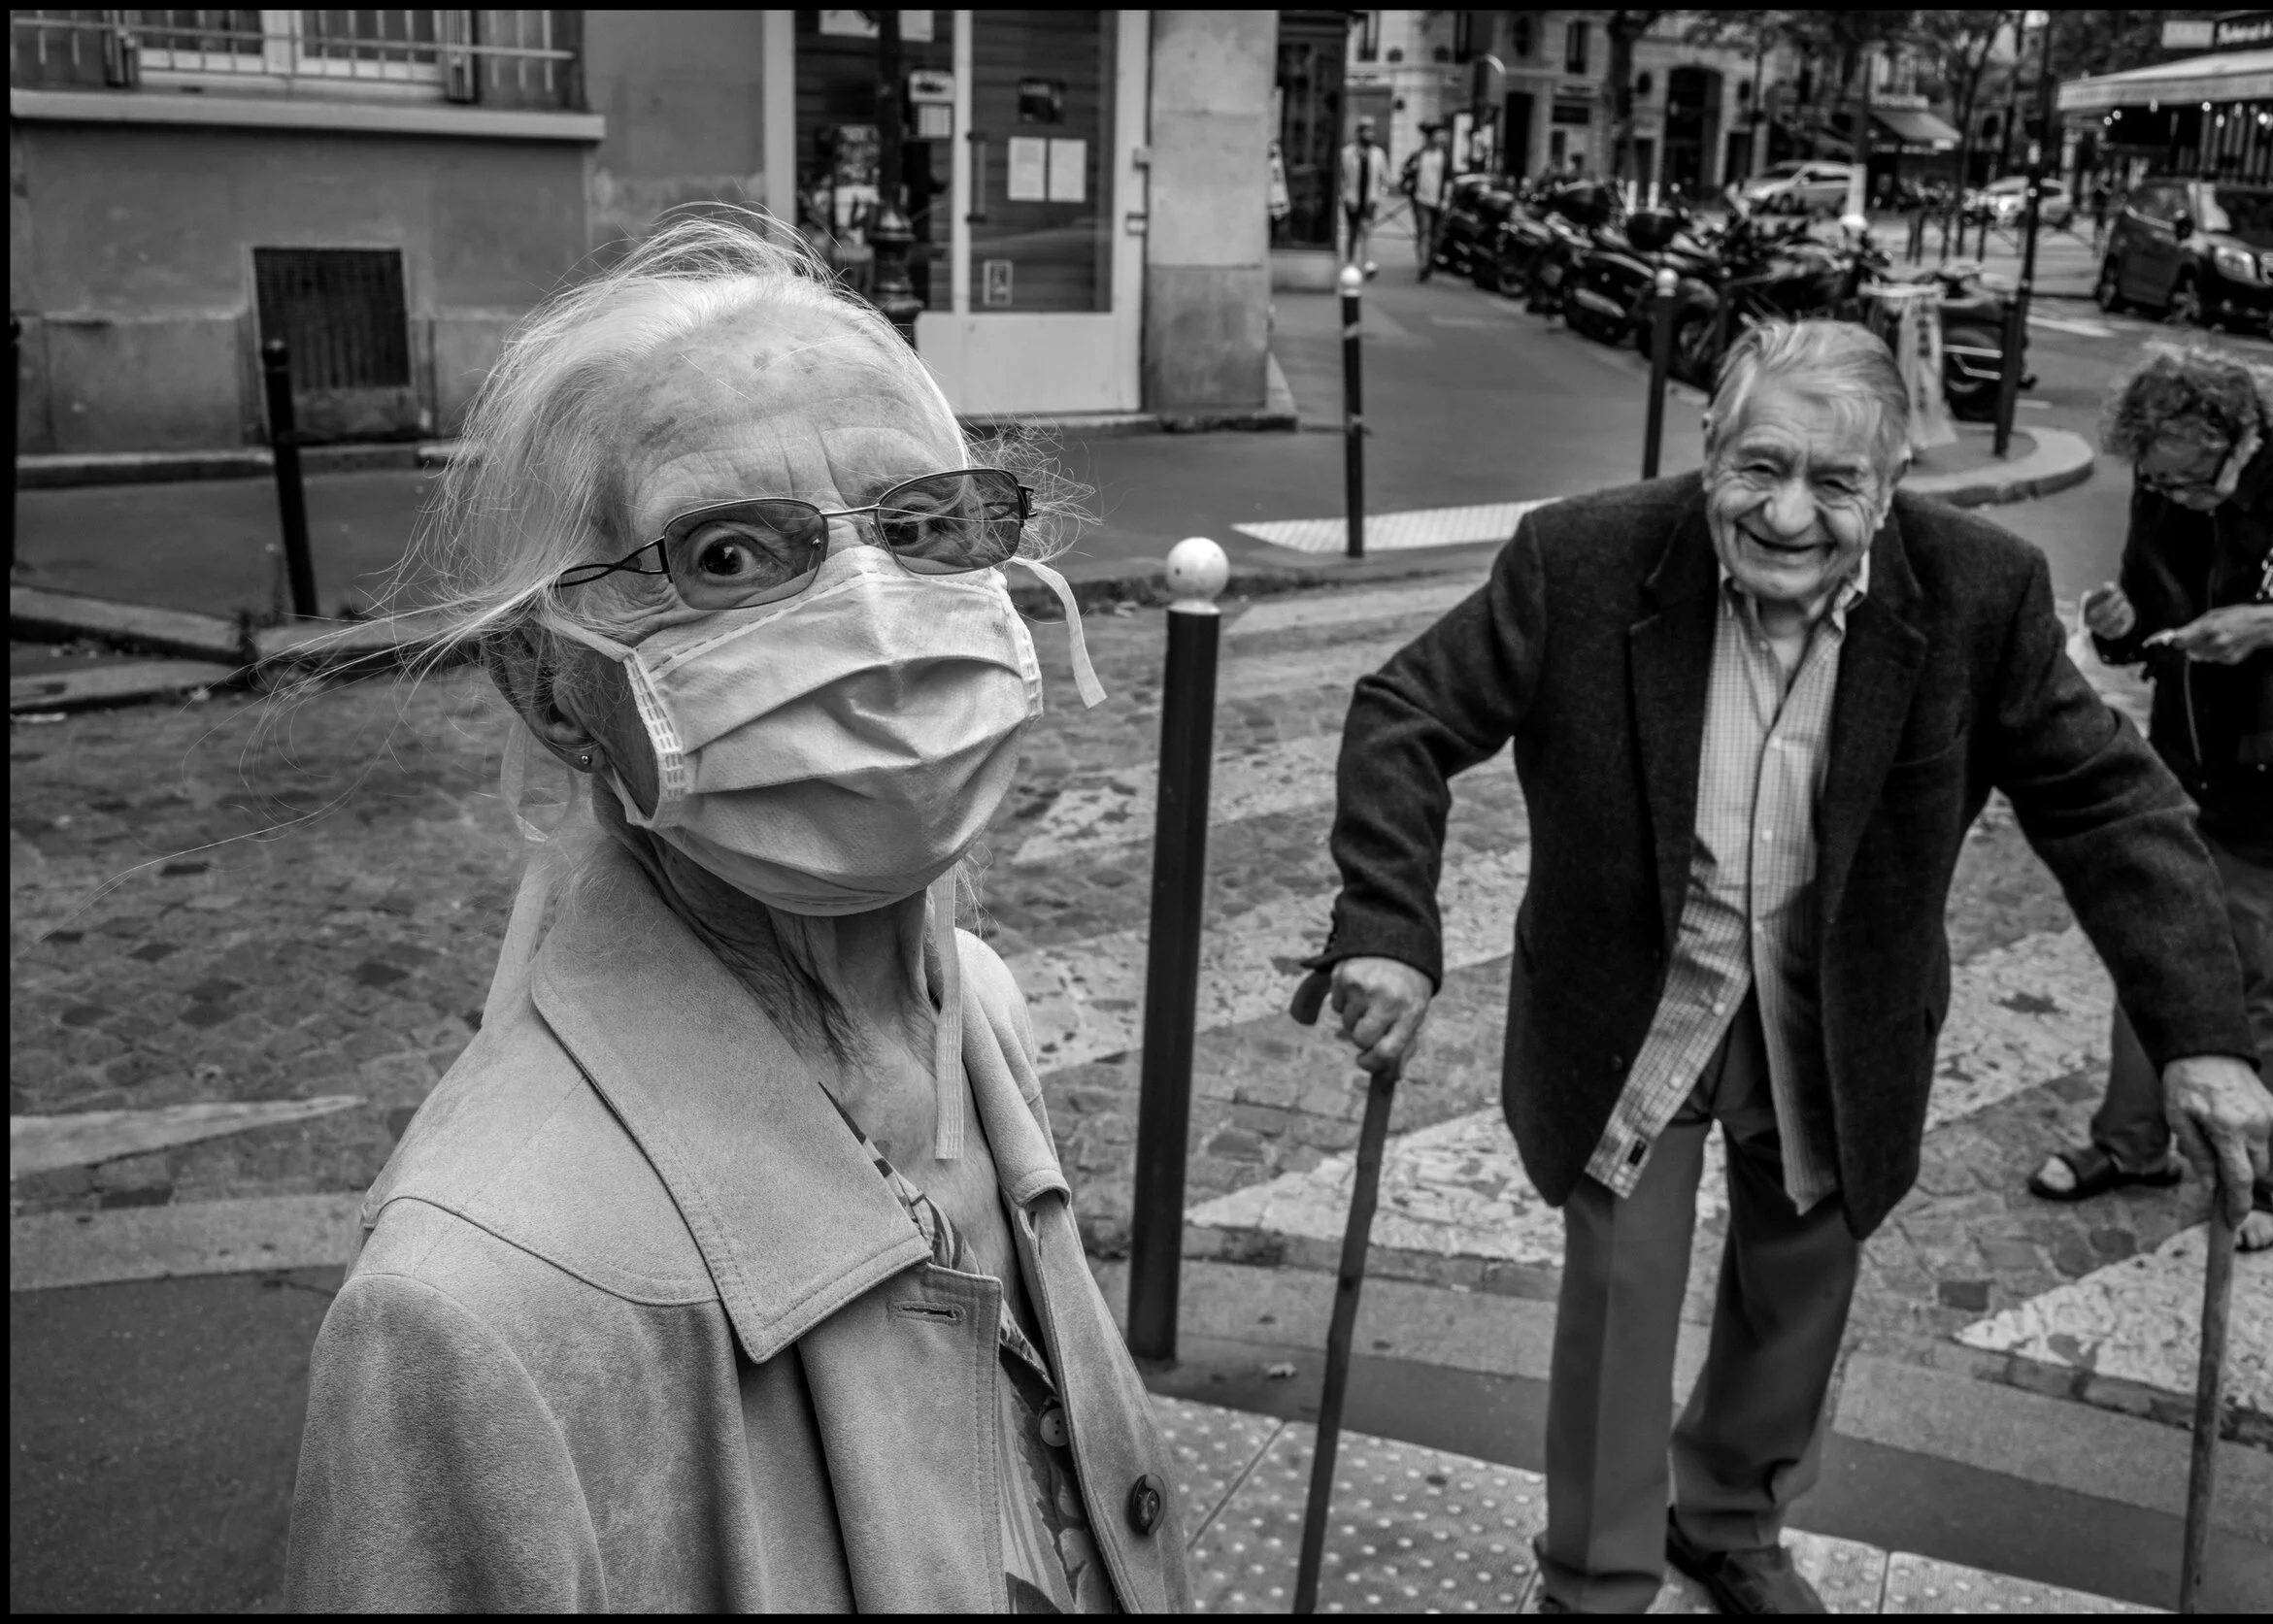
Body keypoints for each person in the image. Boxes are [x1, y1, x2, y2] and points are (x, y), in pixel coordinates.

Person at [284, 217, 1189, 1612]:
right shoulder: (471, 1308)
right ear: (548, 688)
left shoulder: (977, 1007)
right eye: (726, 558)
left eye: (920, 524)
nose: (875, 618)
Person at [1305, 319, 2273, 1614]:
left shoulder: (1977, 592)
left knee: (1801, 1282)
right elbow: (1407, 715)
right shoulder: (1584, 557)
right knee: (1622, 1285)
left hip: (1835, 1011)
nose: (1789, 512)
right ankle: (1595, 1574)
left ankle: (1728, 1516)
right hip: (1635, 1000)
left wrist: (2201, 1034)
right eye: (1759, 467)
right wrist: (1387, 926)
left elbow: (2109, 806)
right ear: (1707, 450)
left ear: (1890, 489)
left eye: (1837, 483)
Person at [2029, 345, 2273, 1250]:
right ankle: (2130, 1145)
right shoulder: (2162, 484)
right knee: (2148, 960)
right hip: (2178, 774)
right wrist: (2119, 626)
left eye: (2187, 482)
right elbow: (2151, 624)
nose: (2171, 496)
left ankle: (2257, 1175)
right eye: (2155, 481)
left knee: (2266, 991)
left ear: (2226, 431)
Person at [1404, 122, 1454, 279]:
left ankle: (1429, 262)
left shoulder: (1445, 157)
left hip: (1438, 201)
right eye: (1438, 136)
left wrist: (1446, 199)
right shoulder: (1420, 155)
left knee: (1436, 236)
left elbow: (1449, 180)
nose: (1441, 140)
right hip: (1421, 199)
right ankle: (1423, 265)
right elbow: (1406, 171)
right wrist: (1410, 172)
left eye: (1442, 137)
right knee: (1424, 233)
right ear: (1430, 138)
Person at [1339, 115, 1386, 278]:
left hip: (1369, 199)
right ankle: (1350, 263)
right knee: (1352, 232)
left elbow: (1383, 178)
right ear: (1359, 133)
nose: (1370, 135)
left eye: (1372, 131)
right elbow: (1342, 177)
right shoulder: (1347, 153)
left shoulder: (1378, 154)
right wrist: (1345, 196)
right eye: (1367, 131)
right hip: (1352, 198)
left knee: (1366, 230)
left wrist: (1379, 195)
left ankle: (1367, 263)